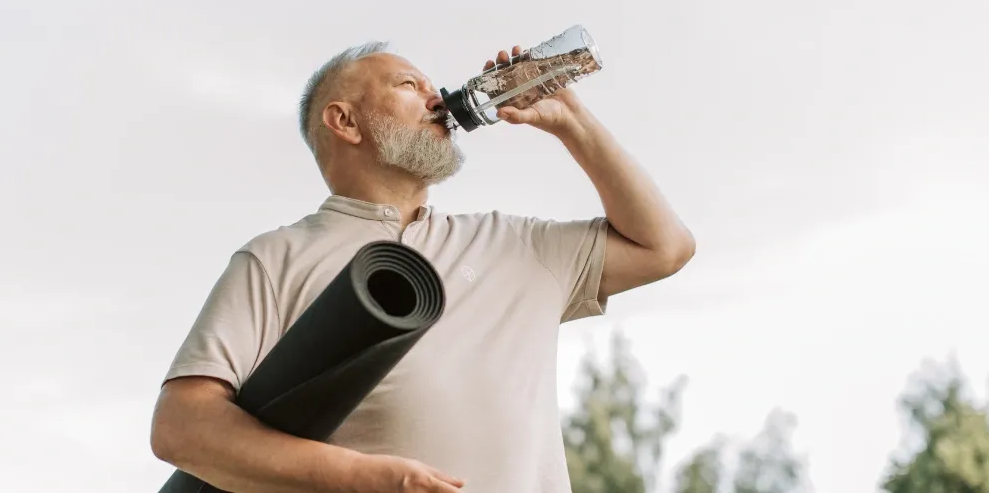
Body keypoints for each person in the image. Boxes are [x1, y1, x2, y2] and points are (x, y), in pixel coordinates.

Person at [149, 40, 695, 493]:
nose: (437, 97)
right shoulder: (276, 258)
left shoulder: (515, 243)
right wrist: (359, 477)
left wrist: (572, 121)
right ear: (345, 121)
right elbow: (180, 427)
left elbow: (664, 247)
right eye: (408, 85)